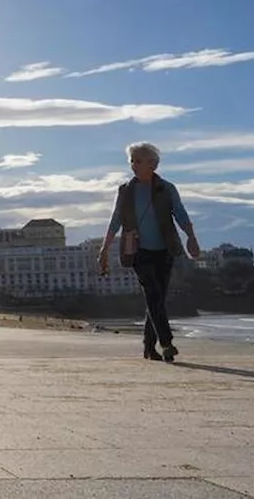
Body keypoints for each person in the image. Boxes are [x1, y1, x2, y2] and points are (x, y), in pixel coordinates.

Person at [100, 141, 200, 362]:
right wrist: (104, 249)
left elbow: (181, 214)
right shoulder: (126, 191)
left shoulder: (167, 188)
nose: (133, 165)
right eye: (132, 161)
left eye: (138, 161)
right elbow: (115, 220)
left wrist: (191, 237)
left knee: (157, 299)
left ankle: (148, 347)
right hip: (137, 251)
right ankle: (166, 343)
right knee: (153, 294)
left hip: (165, 250)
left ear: (153, 164)